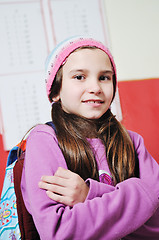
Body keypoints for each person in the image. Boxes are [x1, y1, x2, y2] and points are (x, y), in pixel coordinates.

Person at [21, 36, 159, 240]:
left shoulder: (133, 142)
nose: (95, 87)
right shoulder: (44, 140)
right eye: (79, 77)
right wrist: (137, 193)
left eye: (104, 77)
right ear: (56, 91)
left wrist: (88, 195)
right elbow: (59, 231)